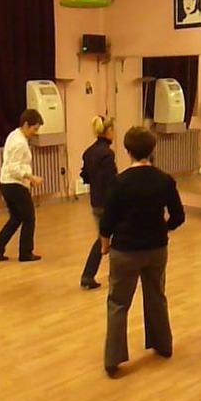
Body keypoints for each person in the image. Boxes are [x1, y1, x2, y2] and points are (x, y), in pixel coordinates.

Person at [101, 127, 185, 377]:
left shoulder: (119, 182)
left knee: (118, 303)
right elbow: (178, 216)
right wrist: (164, 228)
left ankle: (113, 359)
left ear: (127, 151)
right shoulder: (164, 180)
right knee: (156, 296)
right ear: (152, 149)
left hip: (125, 250)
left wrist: (104, 245)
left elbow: (107, 221)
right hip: (157, 248)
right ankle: (163, 344)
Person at [0, 109, 45, 262]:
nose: (35, 133)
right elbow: (14, 168)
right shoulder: (19, 143)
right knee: (29, 218)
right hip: (15, 185)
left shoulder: (14, 135)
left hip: (7, 183)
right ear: (26, 125)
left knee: (16, 218)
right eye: (34, 129)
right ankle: (25, 253)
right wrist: (31, 178)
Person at [79, 116, 118, 290]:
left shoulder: (88, 152)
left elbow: (85, 176)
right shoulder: (108, 154)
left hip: (95, 201)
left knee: (102, 237)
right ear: (108, 131)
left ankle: (89, 275)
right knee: (109, 239)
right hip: (108, 203)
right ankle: (97, 275)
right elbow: (111, 181)